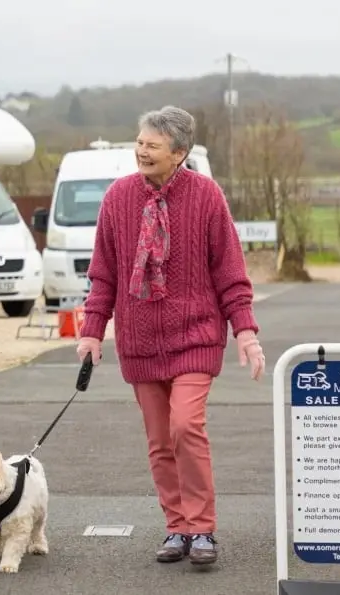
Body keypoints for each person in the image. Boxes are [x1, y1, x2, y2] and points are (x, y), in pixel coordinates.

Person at [77, 105, 265, 567]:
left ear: (179, 153)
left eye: (152, 145)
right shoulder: (118, 199)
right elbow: (103, 275)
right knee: (160, 441)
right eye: (139, 142)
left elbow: (230, 272)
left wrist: (245, 332)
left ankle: (202, 528)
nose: (142, 150)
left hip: (197, 335)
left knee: (186, 426)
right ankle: (177, 527)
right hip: (140, 341)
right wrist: (92, 332)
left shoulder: (206, 196)